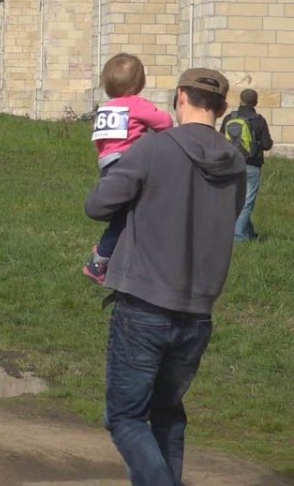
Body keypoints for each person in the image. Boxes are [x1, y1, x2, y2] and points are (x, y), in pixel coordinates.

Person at [85, 67, 244, 486]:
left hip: (144, 304)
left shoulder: (155, 149)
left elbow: (99, 205)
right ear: (223, 108)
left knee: (125, 418)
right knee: (168, 415)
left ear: (180, 98)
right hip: (198, 310)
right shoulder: (236, 162)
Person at [83, 53, 173, 284]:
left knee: (123, 214)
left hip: (108, 164)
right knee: (130, 215)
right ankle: (99, 262)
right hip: (131, 164)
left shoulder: (106, 109)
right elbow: (165, 123)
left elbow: (100, 142)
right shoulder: (137, 104)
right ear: (138, 83)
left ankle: (108, 247)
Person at [219, 88, 273, 243]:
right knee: (247, 201)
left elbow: (222, 140)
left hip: (231, 164)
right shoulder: (259, 120)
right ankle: (238, 237)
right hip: (252, 165)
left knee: (238, 200)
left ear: (240, 100)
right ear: (255, 102)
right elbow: (267, 144)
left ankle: (250, 234)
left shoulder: (229, 117)